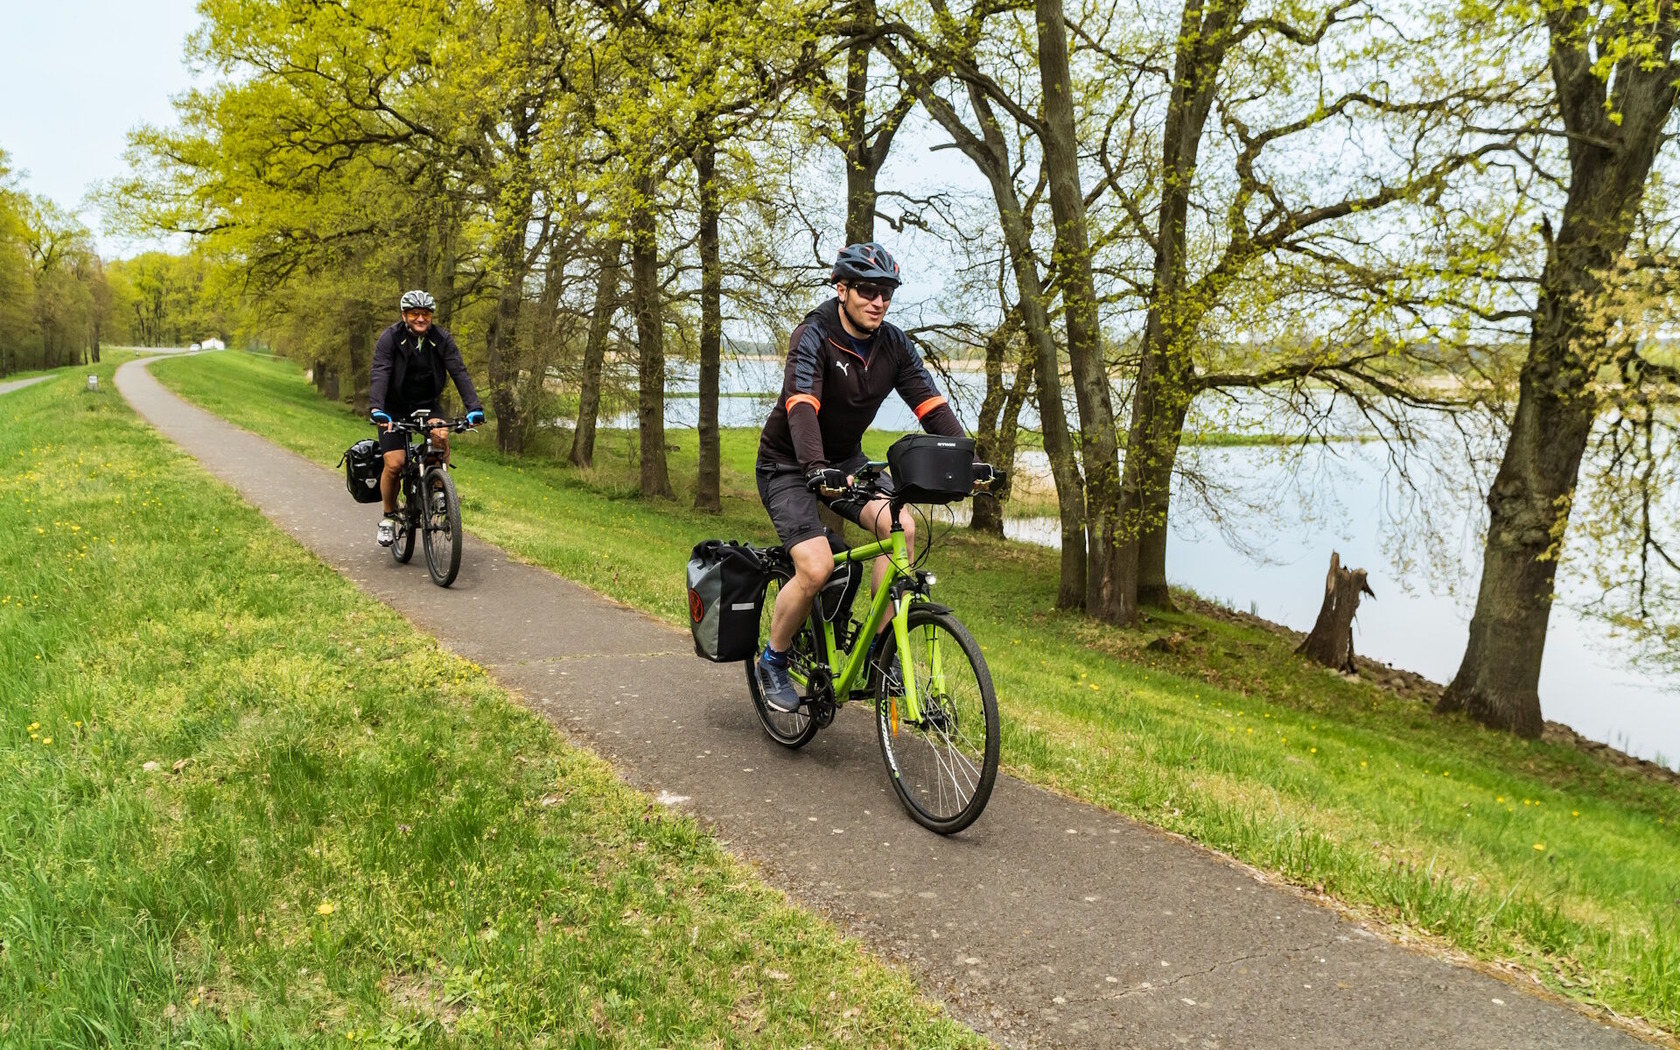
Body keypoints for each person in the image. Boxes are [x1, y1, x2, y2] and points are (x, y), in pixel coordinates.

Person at [754, 242, 967, 712]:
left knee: (902, 528)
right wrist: (815, 467)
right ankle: (773, 659)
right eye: (868, 290)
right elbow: (801, 406)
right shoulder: (813, 335)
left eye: (887, 292)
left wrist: (967, 459)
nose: (879, 301)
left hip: (845, 461)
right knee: (816, 567)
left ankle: (880, 652)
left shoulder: (894, 344)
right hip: (787, 463)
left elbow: (931, 406)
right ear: (842, 289)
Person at [368, 289, 485, 546]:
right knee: (395, 463)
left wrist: (474, 407)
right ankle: (388, 517)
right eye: (414, 314)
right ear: (404, 315)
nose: (421, 318)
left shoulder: (441, 339)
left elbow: (459, 371)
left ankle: (440, 491)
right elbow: (380, 371)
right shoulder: (390, 338)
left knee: (440, 436)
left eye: (426, 314)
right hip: (393, 407)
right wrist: (377, 408)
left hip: (427, 403)